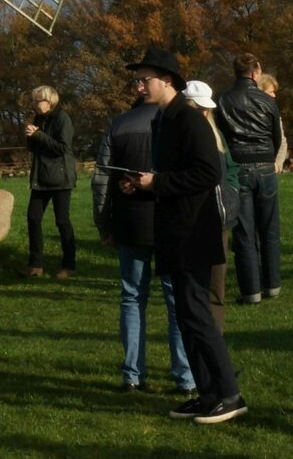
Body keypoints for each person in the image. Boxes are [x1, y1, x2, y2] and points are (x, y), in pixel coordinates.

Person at [124, 46, 247, 426]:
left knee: (197, 315)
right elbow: (179, 175)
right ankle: (208, 393)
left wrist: (157, 181)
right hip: (175, 229)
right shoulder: (163, 119)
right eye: (138, 80)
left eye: (145, 79)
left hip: (194, 230)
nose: (139, 85)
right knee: (188, 316)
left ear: (167, 81)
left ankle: (229, 394)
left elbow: (208, 173)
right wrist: (144, 186)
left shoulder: (189, 120)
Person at [93, 81, 195, 395]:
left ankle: (132, 375)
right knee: (177, 301)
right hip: (170, 221)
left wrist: (103, 222)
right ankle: (186, 378)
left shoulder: (118, 125)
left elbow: (100, 180)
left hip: (130, 221)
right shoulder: (179, 123)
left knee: (132, 297)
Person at [215, 54, 283, 304]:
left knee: (244, 232)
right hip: (265, 165)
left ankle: (251, 290)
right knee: (270, 228)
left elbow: (220, 135)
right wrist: (269, 156)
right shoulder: (267, 100)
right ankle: (272, 284)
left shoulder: (222, 100)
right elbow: (276, 135)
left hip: (238, 165)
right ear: (256, 73)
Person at [185, 79, 237, 328]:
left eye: (204, 109)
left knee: (216, 286)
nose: (203, 113)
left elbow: (232, 170)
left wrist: (232, 192)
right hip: (195, 217)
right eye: (197, 107)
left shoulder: (217, 138)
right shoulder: (184, 136)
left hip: (218, 216)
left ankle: (214, 340)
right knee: (195, 287)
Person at [23, 84, 77, 279]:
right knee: (33, 217)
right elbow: (35, 147)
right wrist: (30, 136)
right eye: (34, 101)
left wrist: (38, 135)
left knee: (62, 221)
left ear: (50, 101)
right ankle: (35, 264)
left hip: (60, 178)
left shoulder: (63, 119)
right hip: (41, 177)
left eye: (39, 101)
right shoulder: (39, 119)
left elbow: (62, 147)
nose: (36, 105)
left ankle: (69, 265)